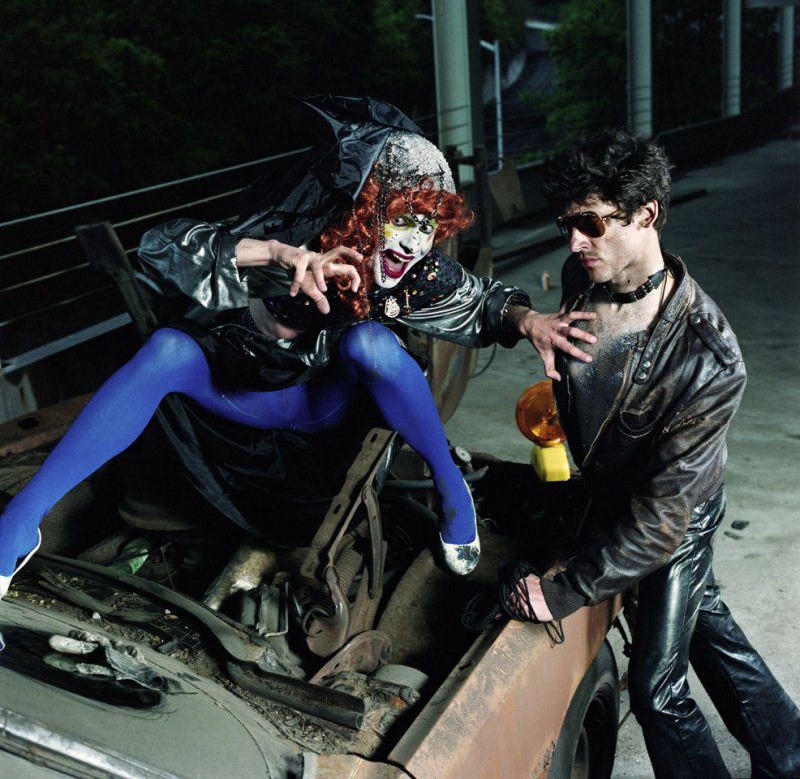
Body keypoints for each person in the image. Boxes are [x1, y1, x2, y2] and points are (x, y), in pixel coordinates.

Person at [0, 94, 595, 596]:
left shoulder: (412, 269)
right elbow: (162, 250)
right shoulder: (296, 229)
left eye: (428, 223)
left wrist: (528, 320)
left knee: (371, 343)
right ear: (365, 213)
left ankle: (451, 489)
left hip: (322, 415)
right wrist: (276, 257)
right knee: (168, 349)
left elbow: (481, 302)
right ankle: (19, 523)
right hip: (241, 406)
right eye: (400, 216)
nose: (415, 242)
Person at [497, 128, 800, 777]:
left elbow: (661, 523)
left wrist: (568, 589)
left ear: (645, 214)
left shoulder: (707, 357)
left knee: (657, 691)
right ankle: (789, 752)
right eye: (565, 223)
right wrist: (528, 321)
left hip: (672, 517)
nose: (573, 241)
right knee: (706, 619)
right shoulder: (583, 273)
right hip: (618, 490)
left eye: (589, 223)